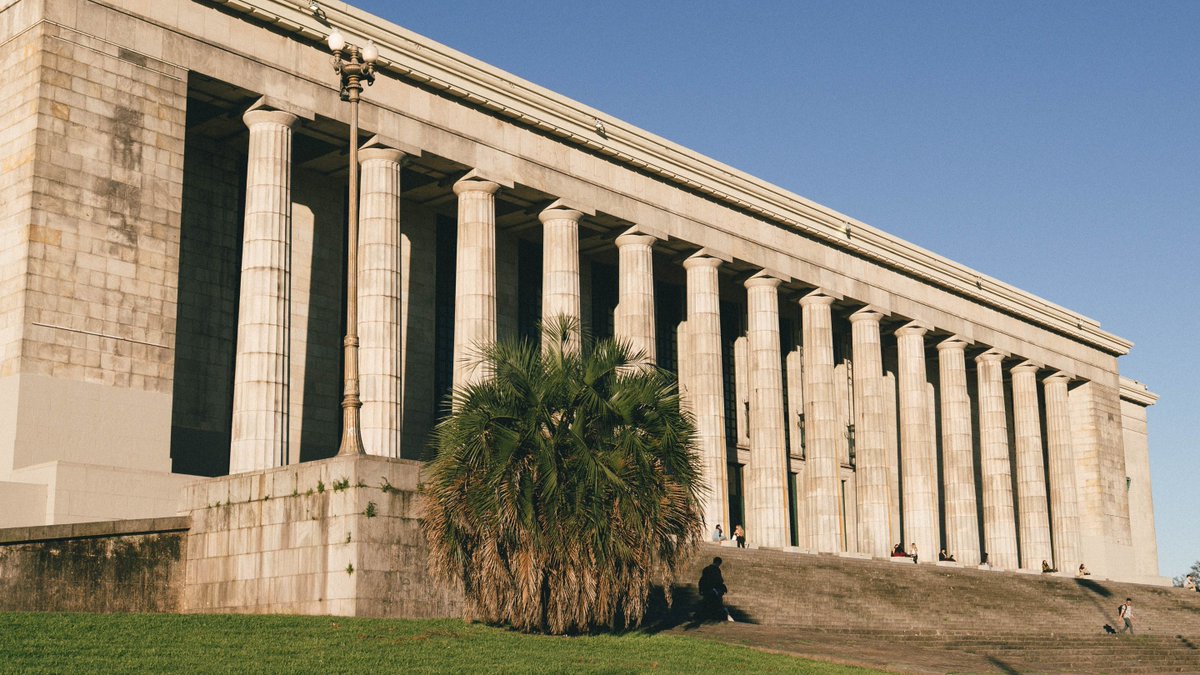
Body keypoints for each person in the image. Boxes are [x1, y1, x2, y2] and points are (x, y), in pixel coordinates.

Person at [697, 556, 734, 622]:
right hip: (712, 590)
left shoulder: (707, 569)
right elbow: (718, 580)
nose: (719, 565)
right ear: (718, 563)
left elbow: (702, 580)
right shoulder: (715, 570)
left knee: (707, 603)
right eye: (719, 564)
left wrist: (701, 589)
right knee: (713, 604)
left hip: (707, 589)